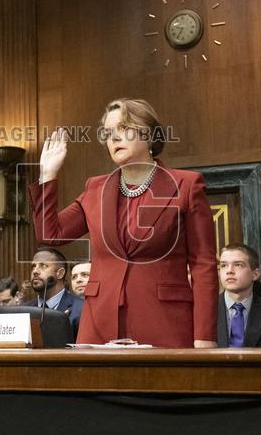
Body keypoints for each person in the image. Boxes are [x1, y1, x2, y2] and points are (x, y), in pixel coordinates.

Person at [30, 98, 218, 347]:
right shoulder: (95, 188)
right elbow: (49, 234)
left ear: (149, 134)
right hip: (99, 323)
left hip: (164, 321)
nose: (114, 138)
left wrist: (204, 335)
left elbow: (203, 264)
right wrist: (48, 175)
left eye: (122, 129)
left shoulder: (186, 185)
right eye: (108, 133)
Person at [215, 244, 261, 347]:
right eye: (223, 265)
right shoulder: (204, 311)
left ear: (255, 274)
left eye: (238, 265)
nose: (229, 271)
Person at [19, 247, 83, 335]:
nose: (35, 271)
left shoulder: (81, 308)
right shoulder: (22, 310)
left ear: (60, 273)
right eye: (33, 266)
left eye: (43, 266)